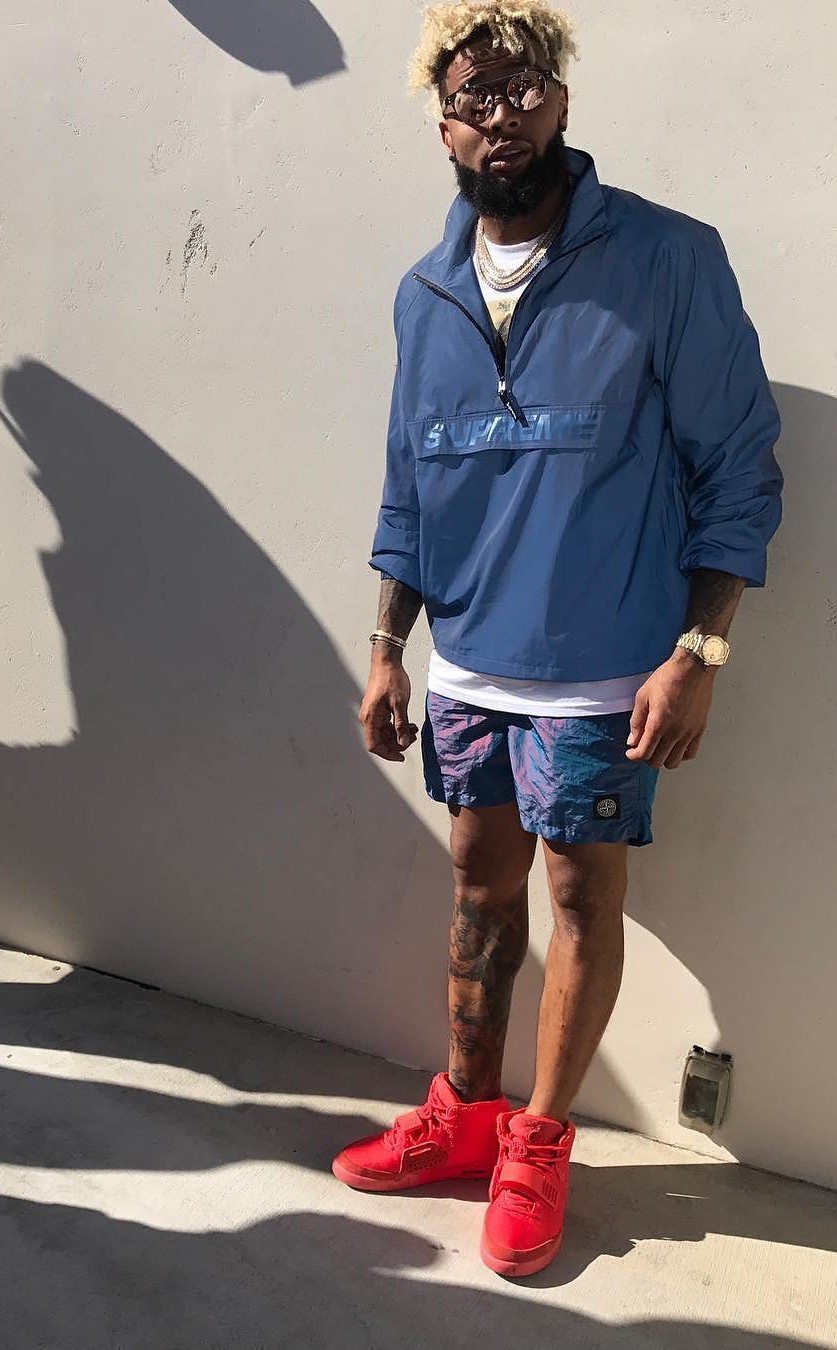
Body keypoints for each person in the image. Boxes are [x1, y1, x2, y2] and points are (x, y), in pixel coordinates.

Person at [331, 0, 783, 1279]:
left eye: (524, 88)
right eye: (473, 97)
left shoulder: (666, 258)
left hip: (607, 669)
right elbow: (410, 487)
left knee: (581, 898)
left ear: (564, 100)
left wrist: (696, 654)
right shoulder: (425, 294)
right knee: (478, 890)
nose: (502, 114)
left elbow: (738, 469)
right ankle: (464, 1116)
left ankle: (537, 1143)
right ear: (442, 127)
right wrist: (387, 645)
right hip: (469, 662)